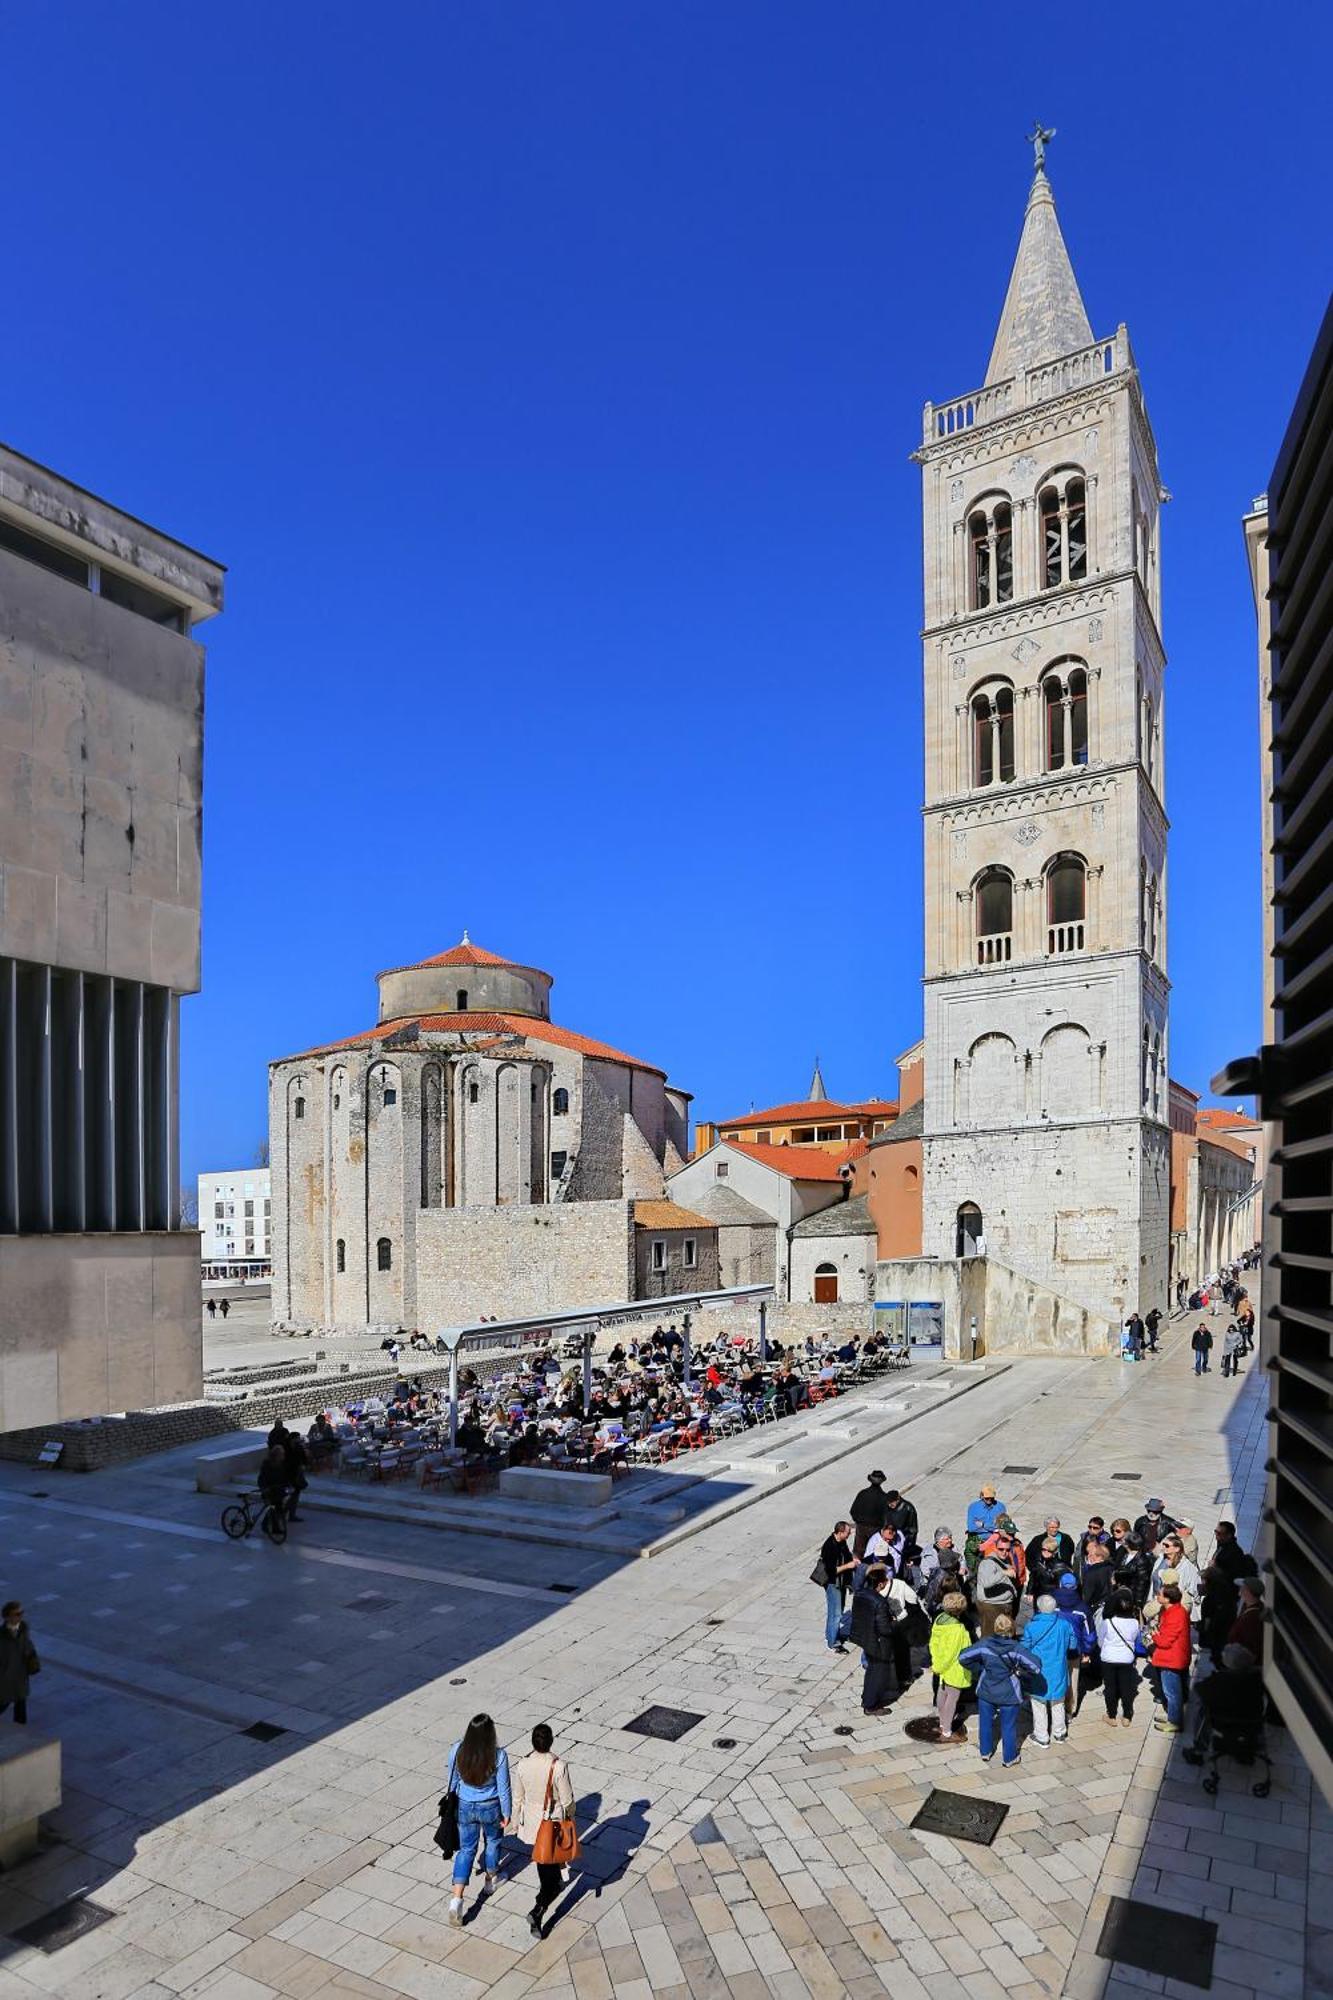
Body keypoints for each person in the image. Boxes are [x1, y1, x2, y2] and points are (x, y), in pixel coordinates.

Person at [510, 1723, 575, 1939]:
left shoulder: (522, 1765)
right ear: (551, 1741)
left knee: (544, 1865)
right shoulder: (558, 1766)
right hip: (552, 1824)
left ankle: (542, 1901)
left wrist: (514, 1820)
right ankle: (538, 1910)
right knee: (551, 1877)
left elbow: (518, 1796)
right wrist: (571, 1819)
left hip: (532, 1823)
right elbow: (567, 1801)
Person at [446, 1714, 512, 1927]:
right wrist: (507, 1812)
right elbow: (504, 1788)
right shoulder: (498, 1755)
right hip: (490, 1805)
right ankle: (490, 1881)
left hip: (465, 1805)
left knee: (466, 1850)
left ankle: (456, 1899)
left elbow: (453, 1781)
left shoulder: (457, 1750)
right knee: (492, 1842)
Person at [958, 1615, 1040, 1769]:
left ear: (995, 1628)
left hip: (986, 1690)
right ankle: (1009, 1758)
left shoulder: (984, 1644)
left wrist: (980, 1670)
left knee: (985, 1722)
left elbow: (963, 1657)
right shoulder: (1016, 1648)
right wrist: (1020, 1672)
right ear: (1012, 1629)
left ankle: (985, 1752)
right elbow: (1036, 1666)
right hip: (1009, 1693)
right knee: (1008, 1726)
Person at [1182, 1644, 1264, 1765]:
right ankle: (1245, 1752)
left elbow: (1198, 1688)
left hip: (1225, 1723)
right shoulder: (1258, 1679)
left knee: (1203, 1710)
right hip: (1252, 1722)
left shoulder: (1220, 1681)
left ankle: (1198, 1751)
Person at [1024, 1594, 1079, 1746]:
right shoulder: (1064, 1624)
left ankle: (1042, 1736)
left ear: (1039, 1608)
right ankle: (1059, 1733)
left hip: (1039, 1671)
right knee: (1058, 1702)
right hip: (1058, 1669)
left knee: (1039, 1703)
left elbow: (1025, 1647)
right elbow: (1073, 1645)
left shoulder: (1031, 1626)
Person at [849, 1566, 900, 1714]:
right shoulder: (880, 1602)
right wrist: (894, 1623)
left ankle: (869, 1697)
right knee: (878, 1672)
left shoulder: (859, 1593)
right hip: (879, 1643)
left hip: (864, 1636)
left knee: (872, 1669)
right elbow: (885, 1629)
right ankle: (870, 1704)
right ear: (880, 1584)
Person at [928, 1593, 973, 1743]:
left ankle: (942, 1721)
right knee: (952, 1699)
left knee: (942, 1693)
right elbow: (953, 1653)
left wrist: (936, 1663)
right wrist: (941, 1666)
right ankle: (947, 1731)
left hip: (940, 1665)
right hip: (954, 1668)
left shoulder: (939, 1620)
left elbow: (933, 1643)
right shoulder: (958, 1629)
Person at [1096, 1589, 1143, 1727]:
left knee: (1110, 1687)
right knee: (1127, 1687)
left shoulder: (1108, 1622)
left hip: (1109, 1658)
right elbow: (1134, 1639)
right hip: (1126, 1659)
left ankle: (1111, 1715)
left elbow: (1100, 1641)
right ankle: (1127, 1716)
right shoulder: (1134, 1623)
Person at [1149, 1582, 1191, 1733]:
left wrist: (1154, 1635)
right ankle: (1172, 1716)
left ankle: (1174, 1721)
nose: (1157, 1596)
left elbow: (1165, 1641)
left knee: (1172, 1693)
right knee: (1173, 1691)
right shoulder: (1176, 1611)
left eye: (1160, 1594)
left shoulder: (1175, 1615)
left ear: (1167, 1599)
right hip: (1173, 1657)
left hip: (1171, 1659)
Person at [818, 1521, 858, 1653]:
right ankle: (832, 1643)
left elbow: (846, 1554)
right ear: (840, 1532)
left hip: (841, 1582)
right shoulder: (829, 1546)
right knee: (835, 1613)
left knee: (838, 1610)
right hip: (833, 1583)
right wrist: (848, 1566)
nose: (849, 1534)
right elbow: (831, 1571)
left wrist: (854, 1559)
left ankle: (832, 1634)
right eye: (847, 1532)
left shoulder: (841, 1542)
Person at [976, 1528, 1020, 1637]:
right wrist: (1004, 1572)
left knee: (1006, 1636)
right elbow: (987, 1583)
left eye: (1007, 1550)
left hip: (1003, 1605)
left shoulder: (1005, 1559)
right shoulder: (988, 1563)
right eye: (1001, 1549)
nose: (1005, 1552)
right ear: (995, 1548)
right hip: (992, 1607)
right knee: (990, 1637)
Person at [0, 1602, 39, 1725]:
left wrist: (33, 1659)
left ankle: (22, 1737)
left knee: (21, 1713)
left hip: (20, 1677)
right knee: (2, 1705)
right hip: (5, 1680)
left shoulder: (23, 1630)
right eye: (17, 1614)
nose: (20, 1616)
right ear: (7, 1617)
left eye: (21, 1613)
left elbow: (27, 1647)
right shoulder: (1, 1636)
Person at [1198, 1564, 1239, 1662]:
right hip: (1227, 1632)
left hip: (1216, 1636)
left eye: (1203, 1580)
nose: (1201, 1583)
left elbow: (1207, 1621)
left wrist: (1202, 1629)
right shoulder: (1228, 1593)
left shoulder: (1209, 1600)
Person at [964, 1484, 1006, 1571]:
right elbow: (971, 1527)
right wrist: (993, 1527)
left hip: (994, 1542)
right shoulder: (973, 1507)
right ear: (982, 1496)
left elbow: (1002, 1526)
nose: (989, 1500)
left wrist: (983, 1525)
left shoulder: (1000, 1507)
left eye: (991, 1498)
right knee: (974, 1569)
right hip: (977, 1540)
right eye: (987, 1498)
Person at [849, 1471, 889, 1558]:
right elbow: (887, 1516)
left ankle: (857, 1569)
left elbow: (853, 1511)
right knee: (875, 1552)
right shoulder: (884, 1497)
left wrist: (859, 1522)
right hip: (876, 1528)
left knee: (858, 1553)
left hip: (861, 1528)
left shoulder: (862, 1494)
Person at [1211, 1520, 1258, 1587]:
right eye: (1216, 1532)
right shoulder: (1222, 1544)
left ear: (1229, 1535)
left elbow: (1232, 1576)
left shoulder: (1234, 1553)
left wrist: (1215, 1567)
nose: (1216, 1536)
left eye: (1219, 1533)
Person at [1228, 1577, 1265, 1659]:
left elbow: (1252, 1645)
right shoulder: (1250, 1609)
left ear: (1248, 1592)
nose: (1239, 1592)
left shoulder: (1252, 1617)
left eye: (1242, 1589)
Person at [882, 1488, 919, 1556]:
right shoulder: (887, 1508)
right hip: (889, 1539)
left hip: (902, 1540)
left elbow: (913, 1530)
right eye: (888, 1502)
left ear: (898, 1499)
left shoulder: (908, 1508)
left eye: (892, 1502)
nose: (890, 1504)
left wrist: (908, 1546)